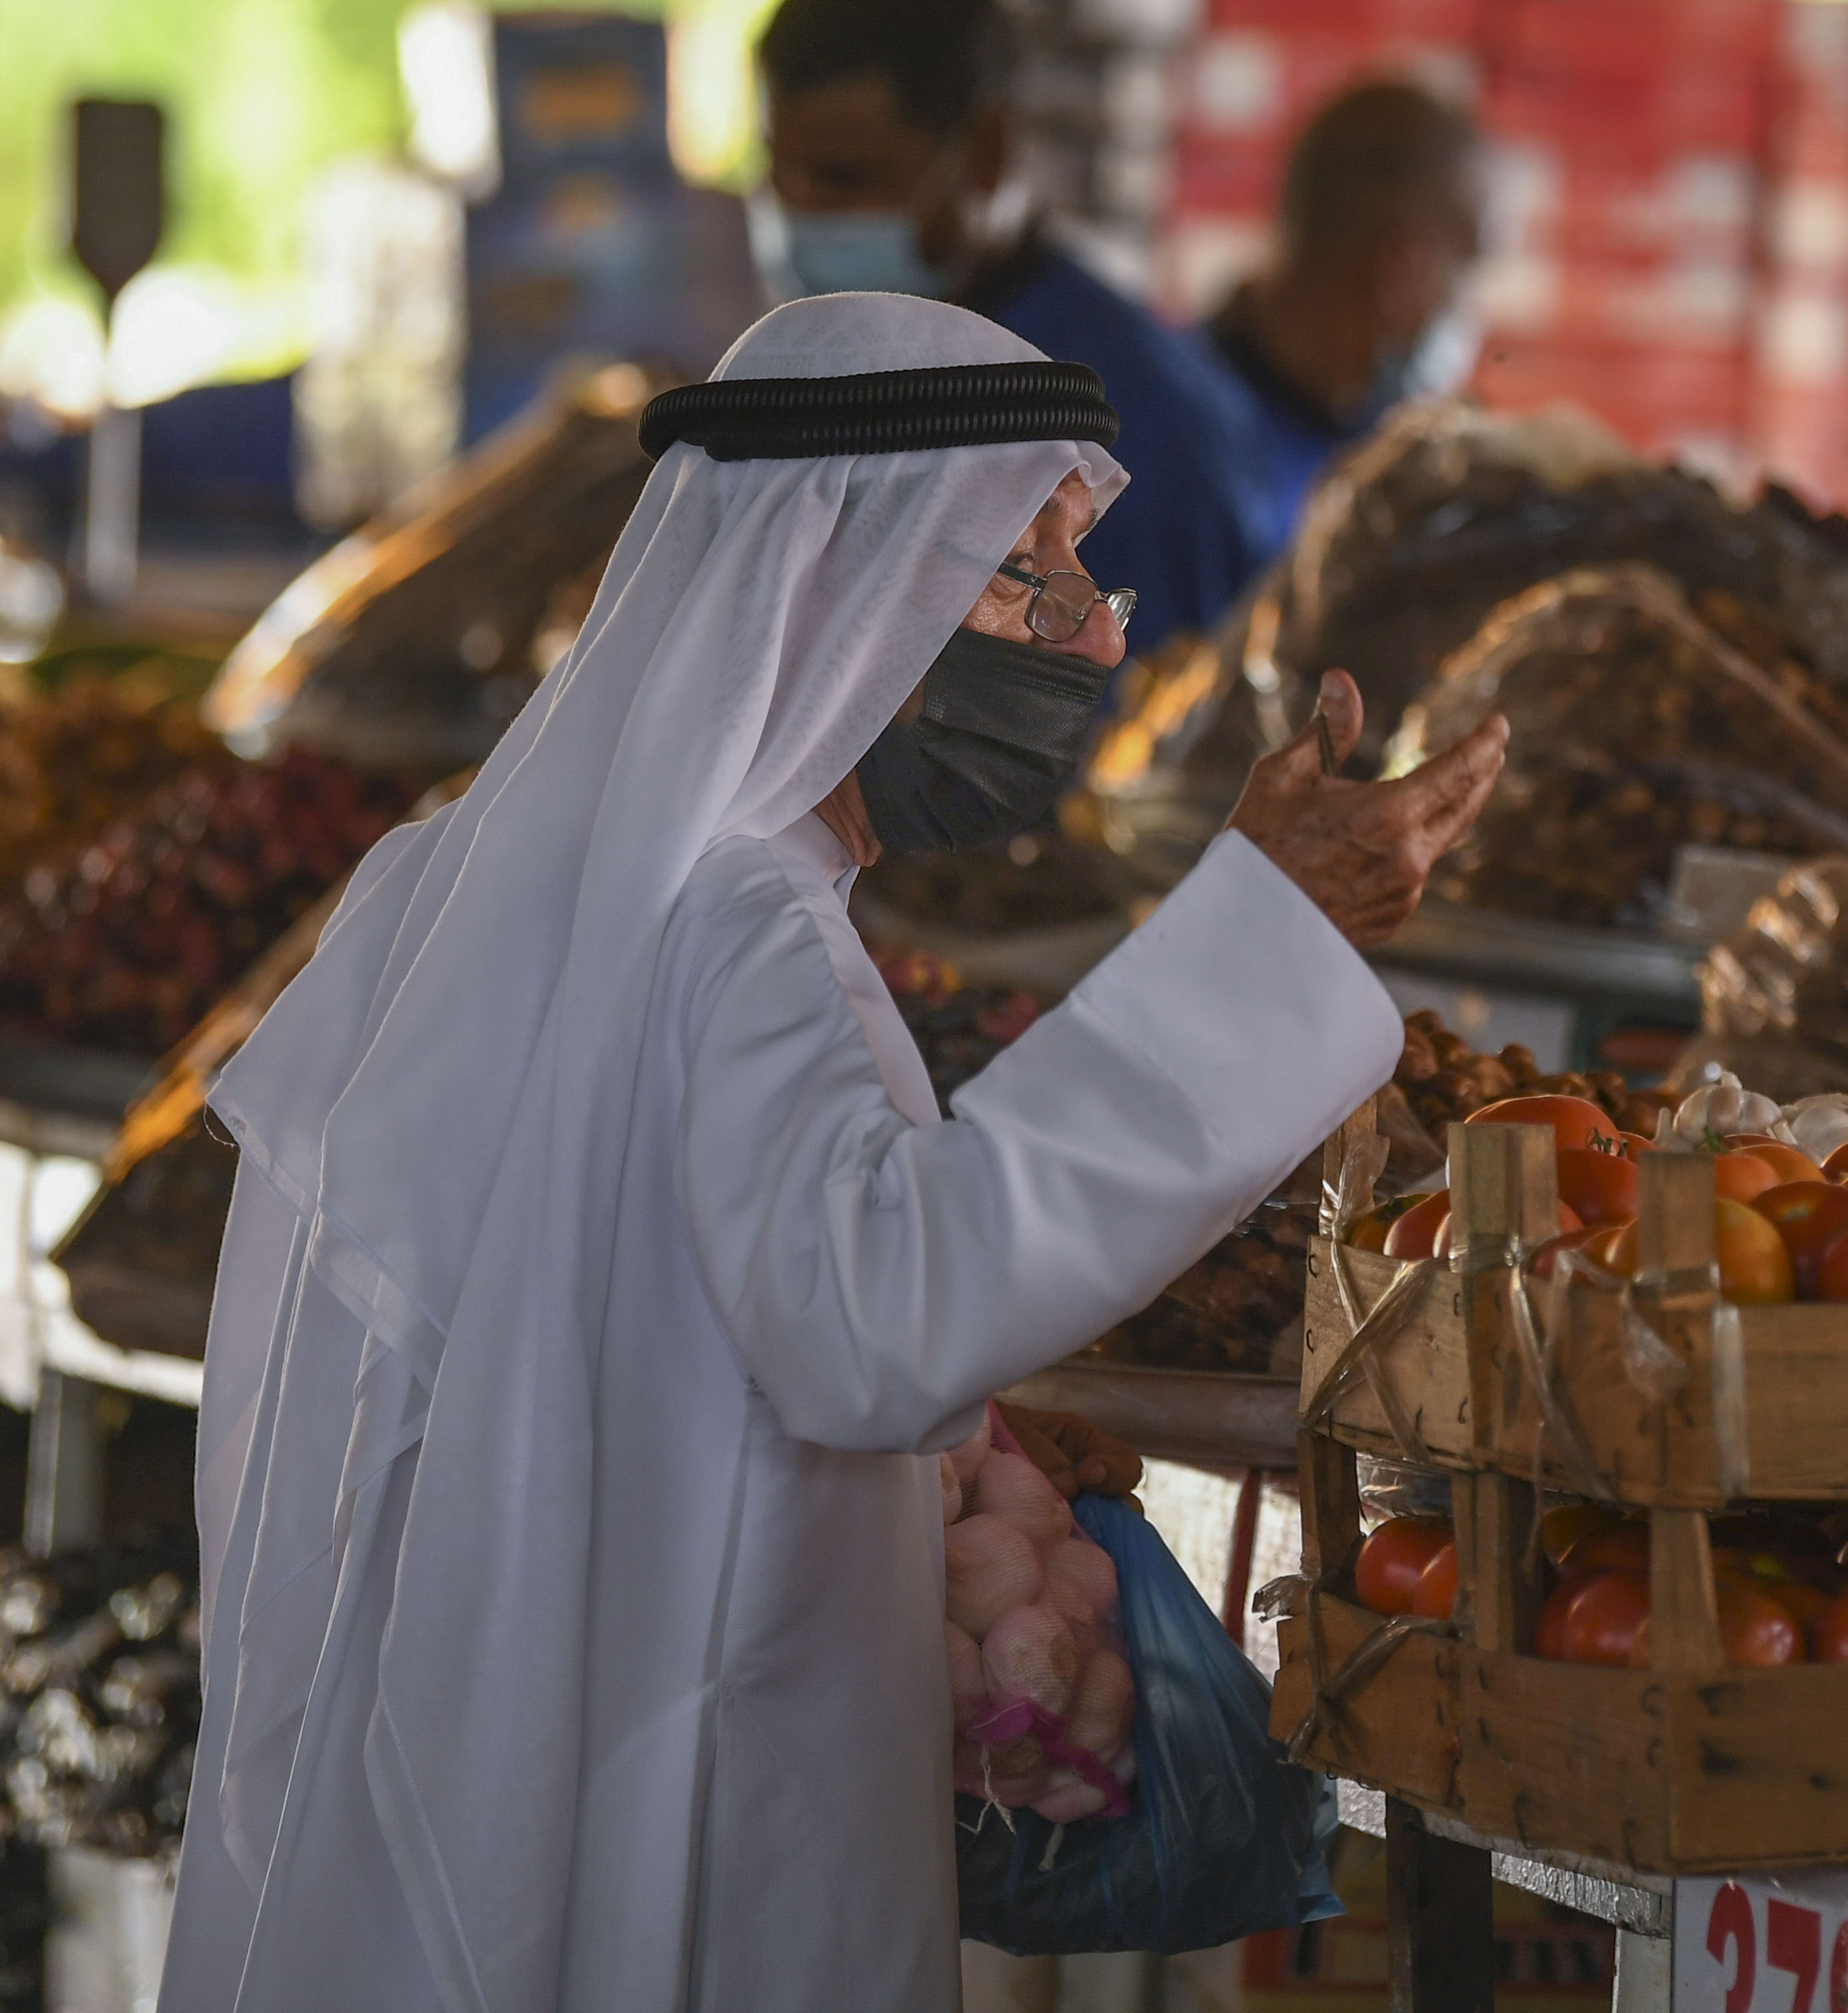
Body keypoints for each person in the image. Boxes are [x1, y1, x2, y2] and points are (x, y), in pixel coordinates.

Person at [157, 292, 1507, 2013]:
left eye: (1083, 579)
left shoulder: (474, 880)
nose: (1092, 642)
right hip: (668, 1776)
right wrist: (1264, 937)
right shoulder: (739, 923)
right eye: (1026, 573)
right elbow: (875, 1318)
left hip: (487, 1729)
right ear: (844, 591)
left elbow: (618, 1303)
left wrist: (965, 1453)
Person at [754, 0, 1276, 654]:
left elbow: (1150, 701)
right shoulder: (859, 362)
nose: (796, 213)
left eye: (843, 178)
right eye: (776, 172)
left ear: (987, 153)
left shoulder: (1138, 418)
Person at [1204, 78, 1489, 549]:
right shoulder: (1202, 465)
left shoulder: (1381, 463)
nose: (1469, 307)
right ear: (1401, 268)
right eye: (1468, 265)